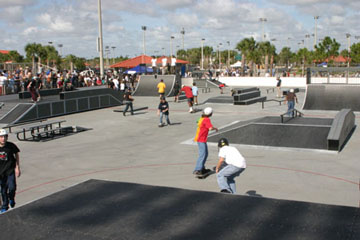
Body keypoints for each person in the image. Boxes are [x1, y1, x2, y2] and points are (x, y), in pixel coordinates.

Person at [0, 129, 21, 213]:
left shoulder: (11, 146)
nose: (3, 139)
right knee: (3, 190)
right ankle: (5, 206)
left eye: (5, 137)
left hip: (10, 171)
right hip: (1, 173)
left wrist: (17, 167)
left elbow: (16, 154)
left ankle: (11, 198)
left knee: (12, 187)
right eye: (1, 137)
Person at [193, 107, 218, 176]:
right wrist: (215, 128)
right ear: (210, 114)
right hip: (201, 139)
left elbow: (198, 121)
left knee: (205, 154)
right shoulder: (207, 120)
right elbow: (210, 128)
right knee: (202, 154)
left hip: (200, 139)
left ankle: (202, 168)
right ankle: (197, 170)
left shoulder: (201, 118)